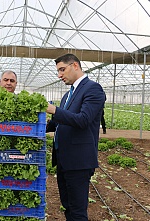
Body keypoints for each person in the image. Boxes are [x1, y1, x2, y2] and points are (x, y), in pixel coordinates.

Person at [46, 54, 105, 221]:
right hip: (64, 159)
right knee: (68, 205)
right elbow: (58, 122)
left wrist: (54, 110)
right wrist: (33, 129)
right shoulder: (68, 95)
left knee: (78, 211)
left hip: (79, 161)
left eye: (62, 69)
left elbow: (83, 120)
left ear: (76, 66)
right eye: (58, 71)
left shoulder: (93, 89)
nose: (59, 75)